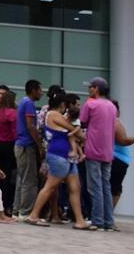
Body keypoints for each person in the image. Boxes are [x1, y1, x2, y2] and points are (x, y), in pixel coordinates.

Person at [25, 92, 88, 229]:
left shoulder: (60, 116)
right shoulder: (53, 114)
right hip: (58, 155)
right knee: (50, 186)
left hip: (68, 157)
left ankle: (79, 220)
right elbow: (72, 129)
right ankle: (33, 215)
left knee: (75, 188)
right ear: (62, 104)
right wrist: (79, 133)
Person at [79, 77, 118, 231]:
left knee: (95, 187)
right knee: (106, 187)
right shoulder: (112, 106)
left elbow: (82, 122)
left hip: (93, 149)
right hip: (108, 151)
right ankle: (109, 221)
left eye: (91, 87)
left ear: (96, 89)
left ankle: (97, 221)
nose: (89, 90)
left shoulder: (90, 104)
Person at [13, 79, 44, 218]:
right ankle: (25, 212)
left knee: (22, 179)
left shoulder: (22, 102)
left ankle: (17, 210)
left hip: (20, 145)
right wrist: (40, 145)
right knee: (29, 181)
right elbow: (31, 126)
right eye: (40, 90)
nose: (41, 93)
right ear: (33, 90)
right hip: (26, 146)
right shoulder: (29, 104)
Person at [110, 99, 134, 214]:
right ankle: (108, 215)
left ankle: (107, 214)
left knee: (115, 189)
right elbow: (124, 141)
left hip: (117, 158)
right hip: (117, 159)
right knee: (115, 189)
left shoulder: (108, 121)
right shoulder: (115, 122)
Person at [0, 86, 18, 215]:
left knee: (0, 176)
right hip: (9, 145)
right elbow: (15, 131)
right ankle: (6, 205)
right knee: (9, 176)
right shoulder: (12, 113)